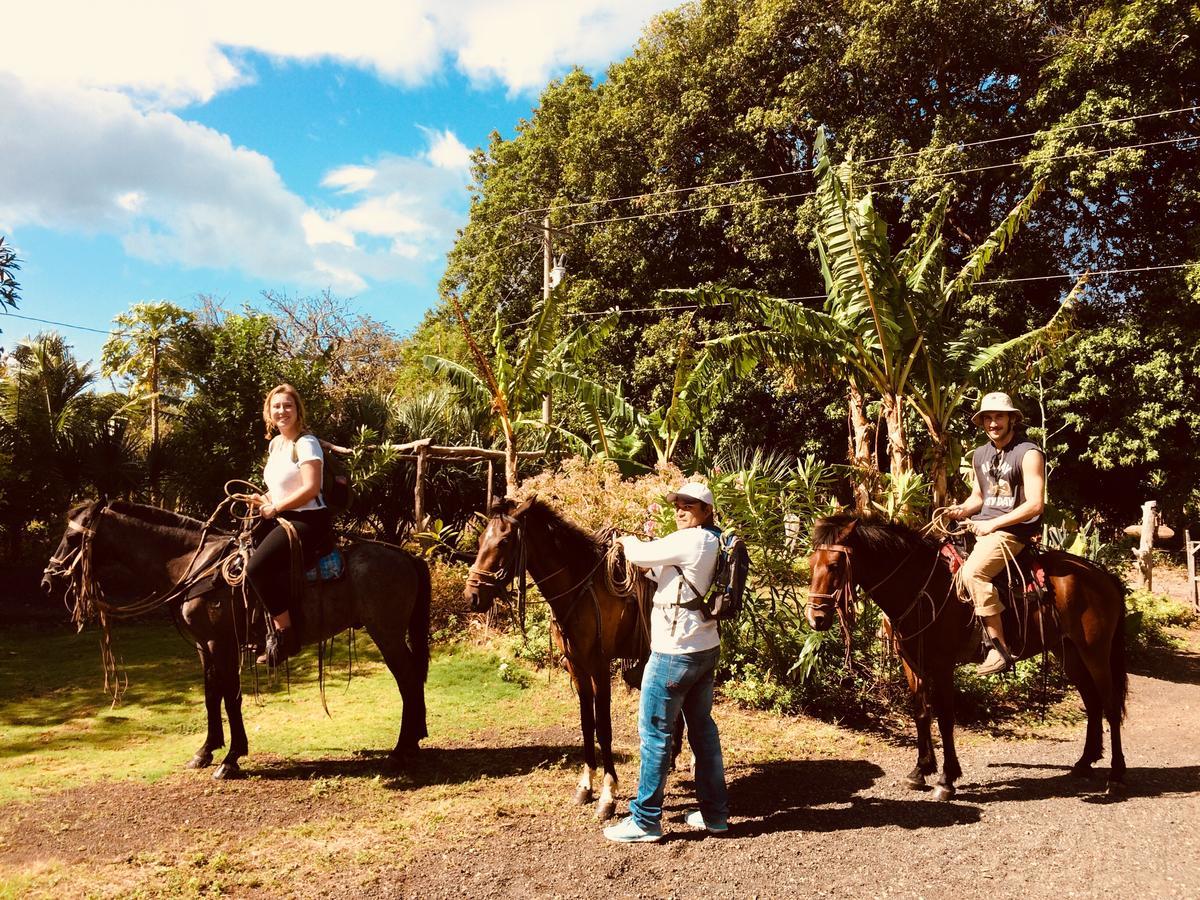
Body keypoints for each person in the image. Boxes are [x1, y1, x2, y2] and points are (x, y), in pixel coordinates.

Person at [603, 482, 729, 843]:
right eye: (678, 503)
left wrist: (626, 541)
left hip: (673, 653)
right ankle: (714, 815)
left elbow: (641, 555)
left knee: (655, 733)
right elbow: (665, 573)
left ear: (707, 511)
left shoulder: (691, 539)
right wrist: (646, 566)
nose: (680, 509)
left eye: (691, 505)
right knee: (702, 732)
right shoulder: (712, 541)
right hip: (704, 649)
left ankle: (644, 820)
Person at [946, 391, 1045, 676]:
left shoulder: (1028, 453)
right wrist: (960, 511)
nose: (993, 423)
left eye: (999, 417)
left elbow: (1036, 503)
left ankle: (998, 649)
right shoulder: (980, 454)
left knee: (973, 573)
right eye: (987, 418)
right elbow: (979, 497)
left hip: (1012, 533)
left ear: (1012, 419)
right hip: (982, 528)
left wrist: (994, 524)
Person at [246, 383, 332, 666]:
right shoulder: (276, 444)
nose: (282, 411)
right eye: (276, 406)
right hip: (281, 515)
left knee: (256, 567)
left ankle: (287, 635)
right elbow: (281, 487)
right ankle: (257, 629)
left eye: (288, 406)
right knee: (237, 554)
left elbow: (311, 488)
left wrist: (276, 507)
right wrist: (264, 499)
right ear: (269, 413)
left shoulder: (306, 443)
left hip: (308, 520)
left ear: (297, 410)